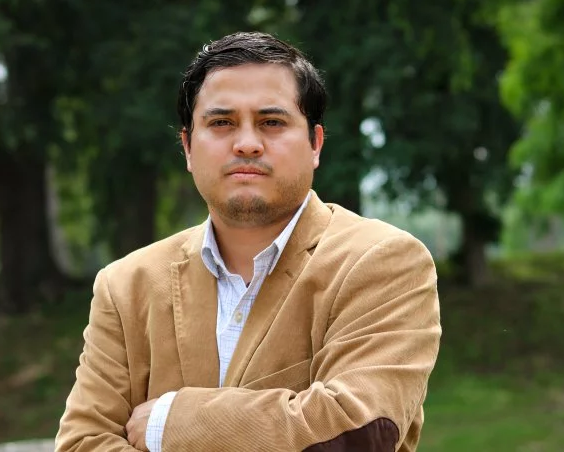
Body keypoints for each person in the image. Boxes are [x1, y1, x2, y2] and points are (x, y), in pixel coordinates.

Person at [56, 31, 441, 452]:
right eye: (221, 123)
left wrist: (169, 422)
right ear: (188, 147)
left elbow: (359, 432)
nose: (246, 144)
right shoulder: (126, 286)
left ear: (315, 144)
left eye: (271, 122)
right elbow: (81, 443)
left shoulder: (381, 262)